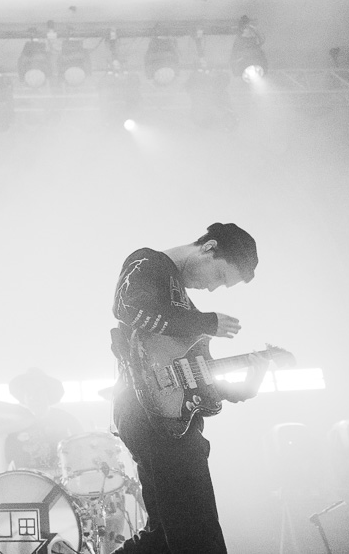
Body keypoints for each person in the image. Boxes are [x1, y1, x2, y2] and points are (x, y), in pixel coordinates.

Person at [108, 222, 269, 554]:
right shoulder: (148, 262)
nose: (212, 288)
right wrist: (206, 321)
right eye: (219, 276)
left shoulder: (184, 306)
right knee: (198, 533)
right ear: (209, 247)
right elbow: (128, 308)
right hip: (149, 413)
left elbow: (197, 380)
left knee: (163, 538)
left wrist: (245, 387)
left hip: (168, 420)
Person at [0, 367, 84, 475]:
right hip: (26, 483)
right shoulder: (14, 426)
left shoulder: (67, 420)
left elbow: (84, 456)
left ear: (48, 393)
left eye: (38, 391)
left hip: (61, 483)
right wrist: (0, 439)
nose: (33, 397)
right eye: (28, 392)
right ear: (23, 397)